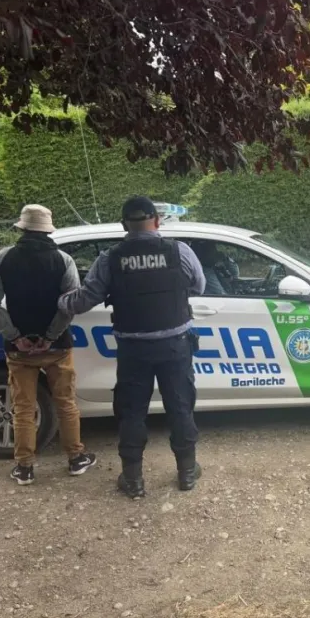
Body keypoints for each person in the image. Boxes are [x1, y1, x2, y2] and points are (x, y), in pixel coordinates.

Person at [58, 196, 206, 499]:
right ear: (157, 221)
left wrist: (60, 301)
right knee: (180, 407)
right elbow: (199, 286)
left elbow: (85, 299)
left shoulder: (110, 258)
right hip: (175, 347)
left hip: (134, 351)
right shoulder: (180, 251)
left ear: (124, 224)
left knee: (132, 412)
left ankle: (133, 479)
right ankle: (187, 473)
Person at [0, 204, 97, 485]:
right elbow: (69, 304)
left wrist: (15, 336)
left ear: (21, 228)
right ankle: (75, 459)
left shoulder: (2, 259)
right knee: (66, 403)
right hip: (57, 347)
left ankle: (24, 467)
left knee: (23, 408)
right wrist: (49, 336)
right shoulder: (63, 260)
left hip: (19, 351)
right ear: (48, 230)